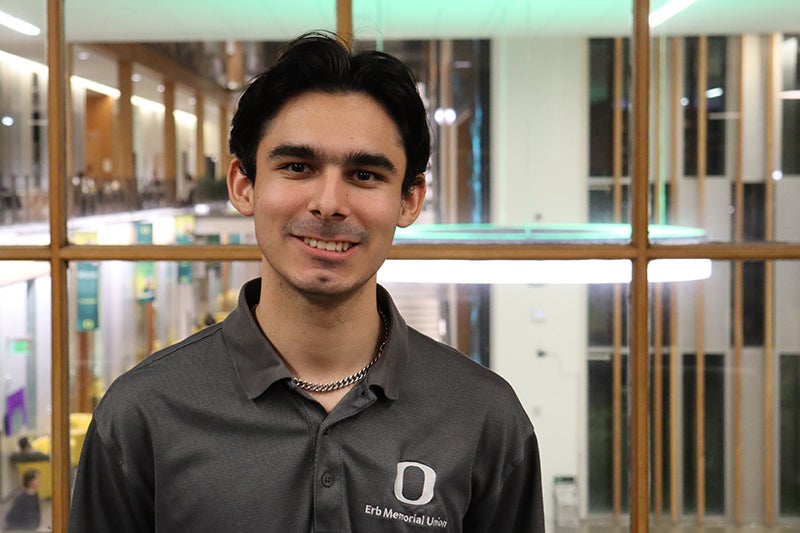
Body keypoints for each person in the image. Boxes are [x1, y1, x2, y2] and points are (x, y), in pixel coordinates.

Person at [68, 31, 544, 532]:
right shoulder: (144, 414)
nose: (329, 203)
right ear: (244, 186)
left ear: (409, 200)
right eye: (298, 167)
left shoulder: (483, 418)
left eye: (364, 175)